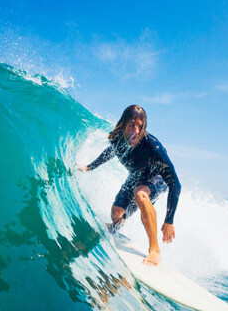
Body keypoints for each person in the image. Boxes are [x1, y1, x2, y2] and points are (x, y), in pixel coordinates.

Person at [78, 105, 181, 266]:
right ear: (124, 123)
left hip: (156, 178)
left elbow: (175, 183)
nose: (136, 131)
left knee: (141, 194)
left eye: (140, 126)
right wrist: (89, 167)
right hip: (136, 177)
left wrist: (169, 221)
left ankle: (154, 249)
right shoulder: (118, 138)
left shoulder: (153, 147)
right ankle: (114, 228)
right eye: (132, 125)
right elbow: (110, 152)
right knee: (117, 213)